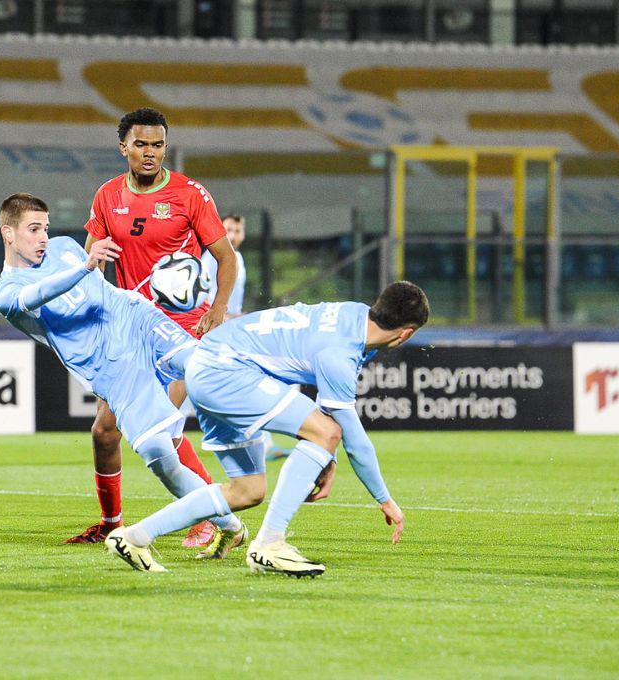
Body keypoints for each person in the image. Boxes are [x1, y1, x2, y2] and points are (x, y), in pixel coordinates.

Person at [105, 282, 428, 574]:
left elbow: (323, 410)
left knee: (248, 491)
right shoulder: (339, 353)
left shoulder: (353, 314)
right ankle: (270, 543)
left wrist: (326, 456)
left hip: (207, 364)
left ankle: (134, 536)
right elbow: (353, 440)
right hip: (227, 371)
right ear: (407, 333)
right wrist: (384, 500)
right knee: (328, 432)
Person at [0, 193, 245, 557]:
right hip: (115, 371)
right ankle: (231, 526)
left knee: (204, 366)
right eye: (33, 230)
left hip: (138, 320)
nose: (44, 237)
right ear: (8, 233)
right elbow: (40, 293)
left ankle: (300, 427)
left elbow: (99, 285)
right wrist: (86, 266)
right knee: (163, 459)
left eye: (45, 228)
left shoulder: (62, 246)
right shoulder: (7, 294)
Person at [74, 107, 240, 547]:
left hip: (180, 328)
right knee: (105, 430)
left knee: (164, 427)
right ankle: (110, 522)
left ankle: (208, 513)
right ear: (123, 147)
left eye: (158, 145)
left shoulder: (189, 194)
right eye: (142, 144)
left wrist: (218, 309)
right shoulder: (108, 196)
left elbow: (226, 256)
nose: (151, 154)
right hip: (130, 328)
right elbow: (89, 262)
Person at [200, 214, 289, 461]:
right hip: (214, 330)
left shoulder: (236, 258)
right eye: (228, 229)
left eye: (238, 230)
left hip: (229, 328)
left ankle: (261, 440)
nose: (233, 235)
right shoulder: (212, 258)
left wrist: (240, 318)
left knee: (244, 380)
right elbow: (204, 297)